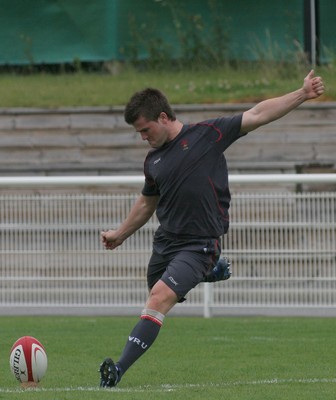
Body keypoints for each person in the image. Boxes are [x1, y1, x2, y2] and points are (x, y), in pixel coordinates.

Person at [99, 70, 324, 387]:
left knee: (159, 297)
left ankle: (117, 369)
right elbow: (147, 203)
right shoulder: (153, 161)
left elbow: (258, 114)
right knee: (156, 287)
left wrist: (301, 94)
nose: (143, 138)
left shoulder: (207, 134)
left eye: (145, 130)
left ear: (163, 117)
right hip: (166, 243)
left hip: (199, 242)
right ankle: (209, 271)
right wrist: (120, 234)